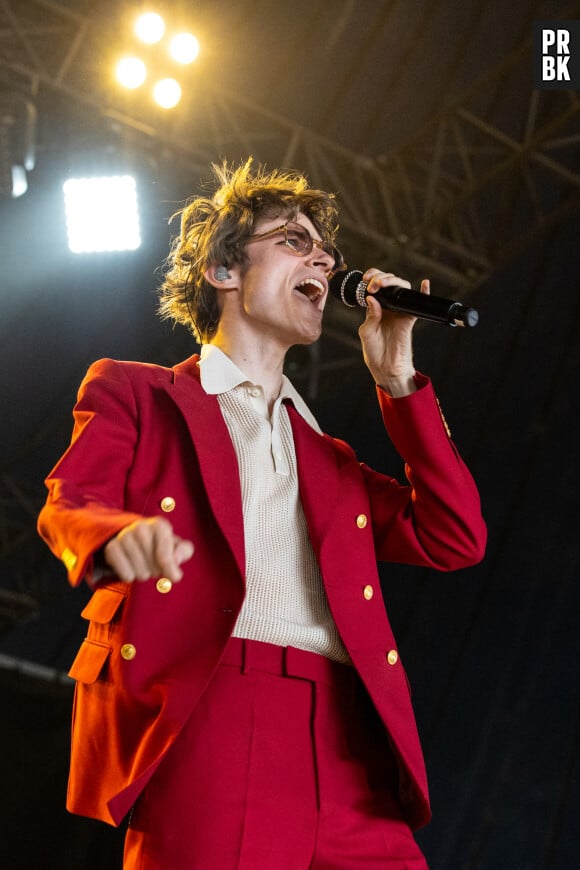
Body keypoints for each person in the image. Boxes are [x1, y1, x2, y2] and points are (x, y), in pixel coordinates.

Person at [38, 159, 486, 869]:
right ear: (223, 270)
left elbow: (454, 537)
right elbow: (71, 501)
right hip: (216, 715)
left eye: (326, 250)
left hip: (348, 742)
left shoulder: (330, 460)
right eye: (293, 240)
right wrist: (118, 538)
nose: (325, 259)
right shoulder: (138, 392)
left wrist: (398, 382)